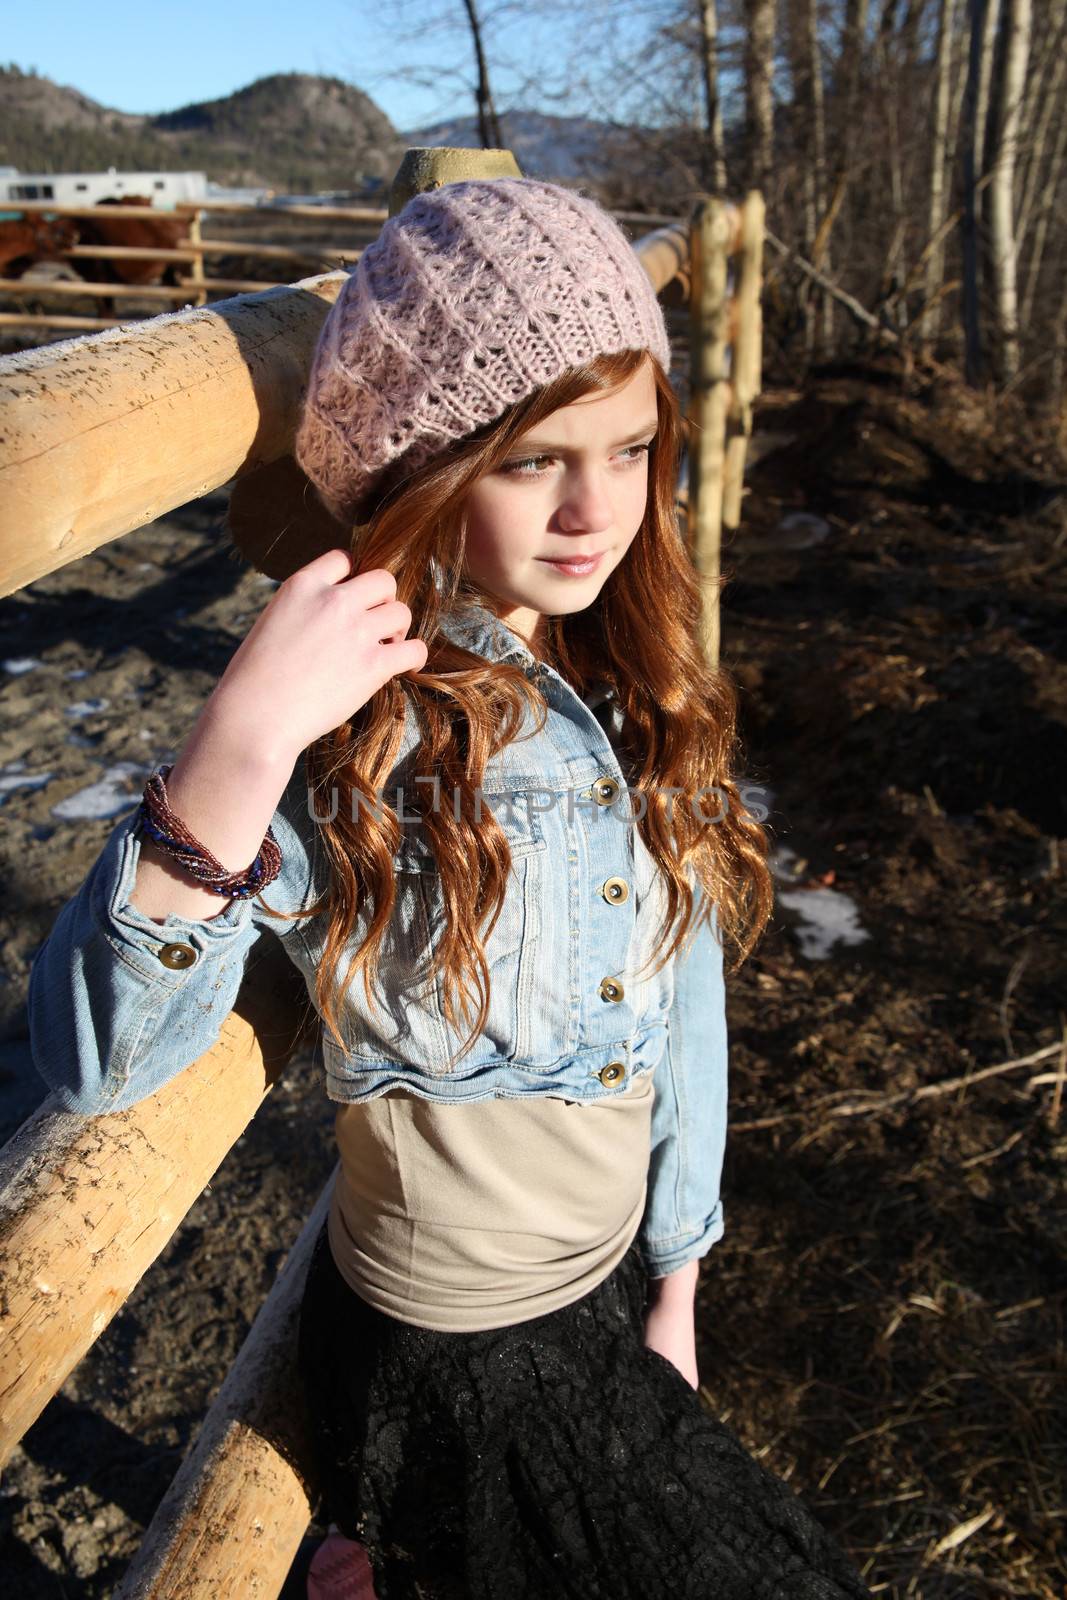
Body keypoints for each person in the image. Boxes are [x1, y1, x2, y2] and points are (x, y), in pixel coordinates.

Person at [27, 177, 872, 1600]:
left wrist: (677, 1283)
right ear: (417, 469)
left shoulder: (628, 678)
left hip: (601, 1306)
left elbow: (680, 1003)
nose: (596, 510)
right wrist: (234, 752)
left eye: (628, 447)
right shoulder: (363, 743)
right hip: (459, 1359)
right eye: (534, 460)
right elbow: (100, 1062)